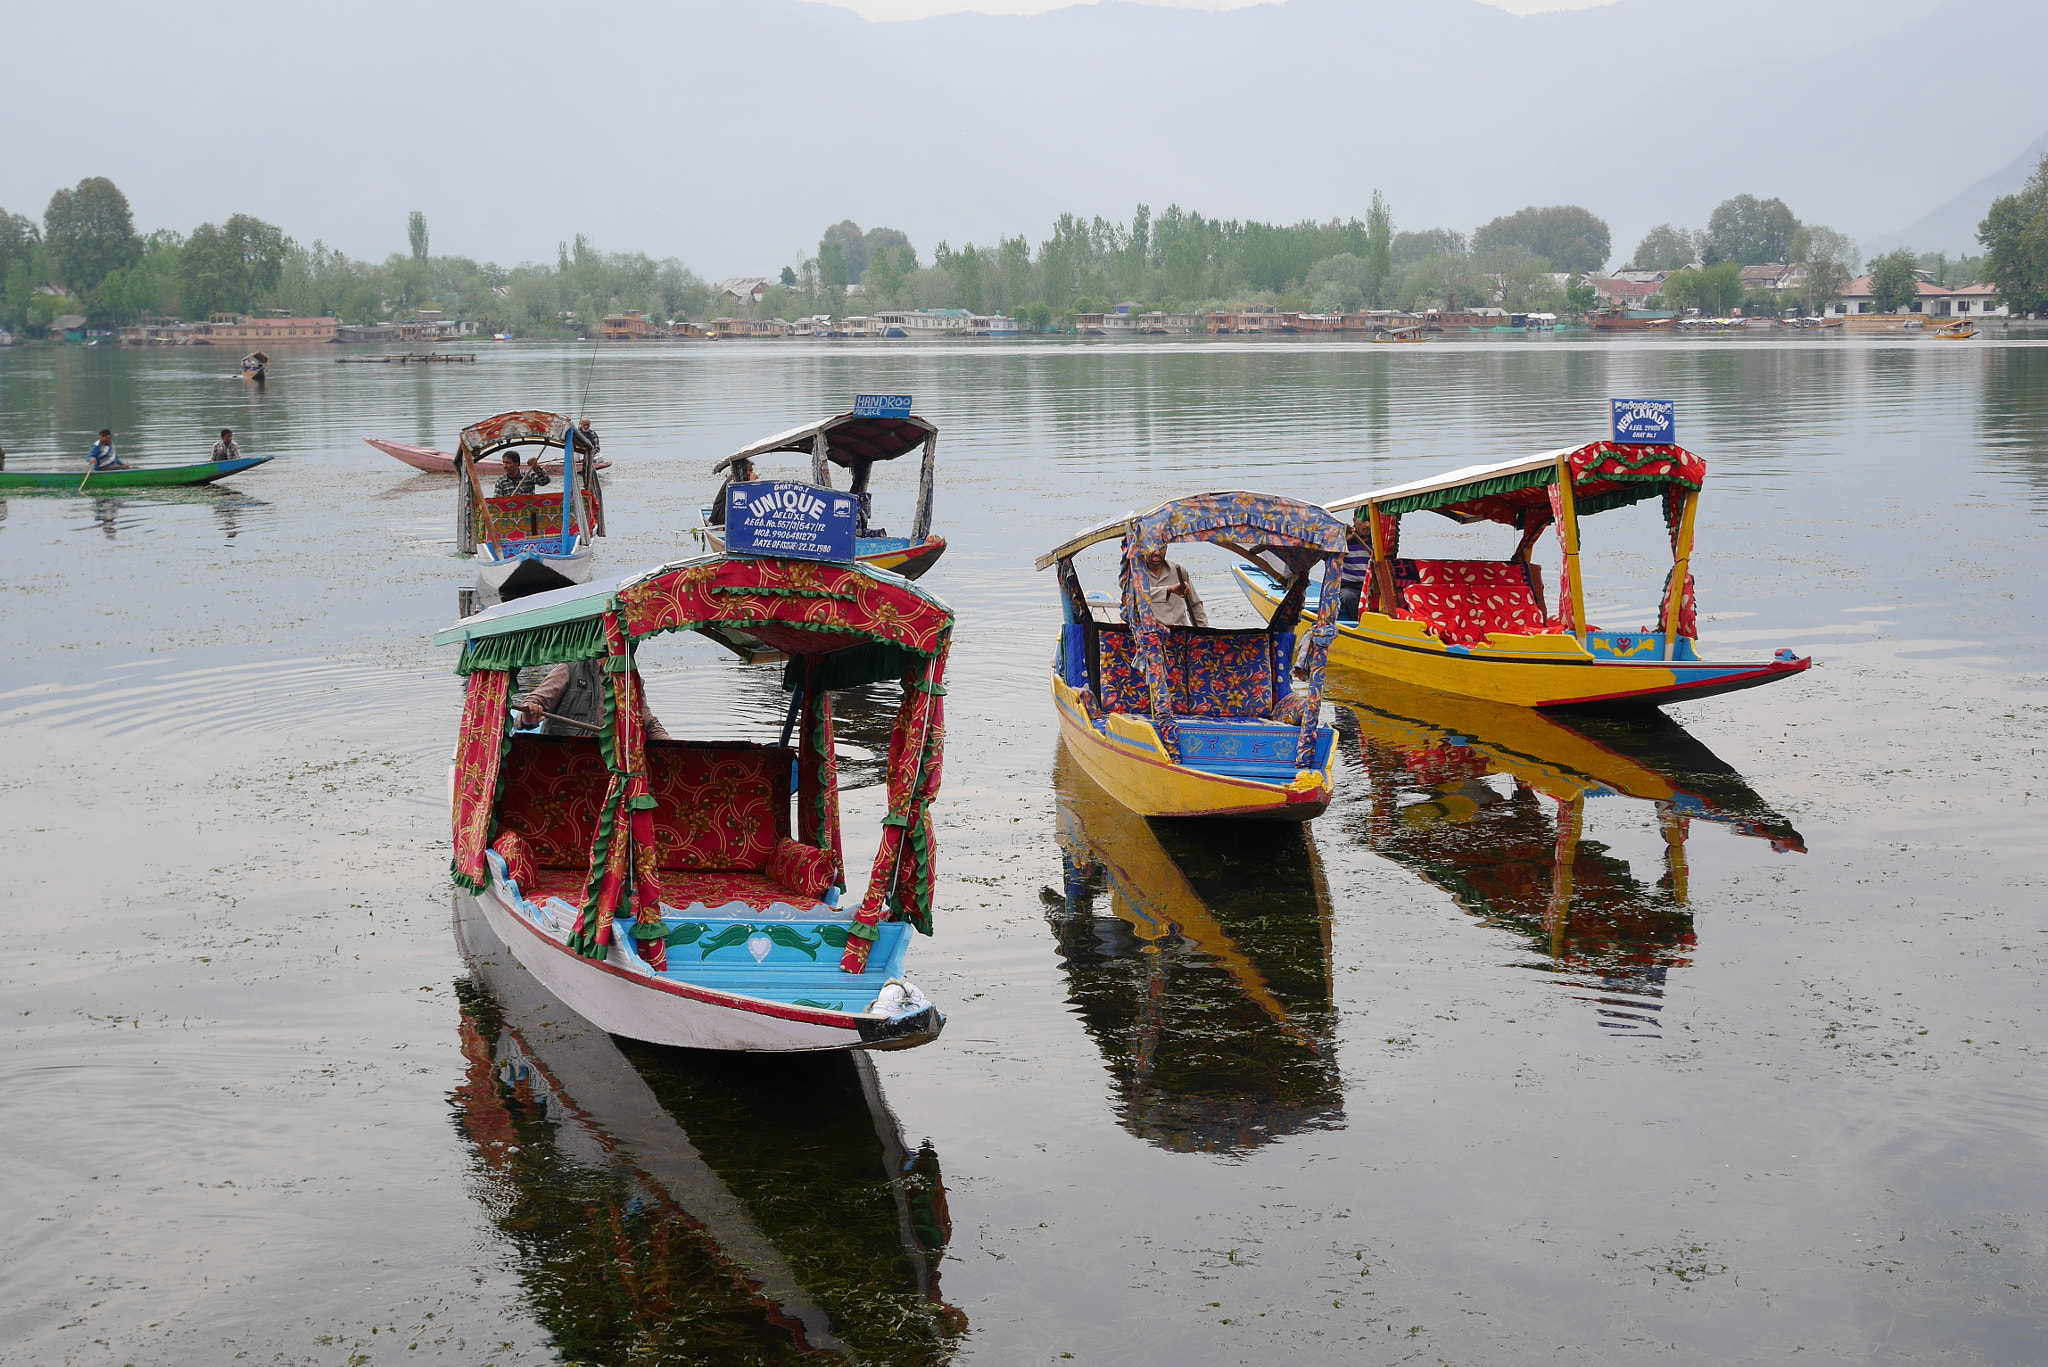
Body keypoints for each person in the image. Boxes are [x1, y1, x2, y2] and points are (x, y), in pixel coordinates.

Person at [518, 660, 672, 740]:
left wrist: (670, 745)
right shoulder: (569, 668)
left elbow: (649, 725)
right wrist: (529, 716)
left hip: (612, 761)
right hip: (567, 757)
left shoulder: (631, 680)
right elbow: (531, 707)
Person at [1136, 545, 1207, 627]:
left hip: (1178, 631)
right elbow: (1135, 596)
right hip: (1148, 633)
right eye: (1153, 547)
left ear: (1166, 548)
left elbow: (1195, 605)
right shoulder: (1136, 574)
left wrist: (1204, 632)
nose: (1157, 552)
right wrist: (1169, 590)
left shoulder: (1179, 571)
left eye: (1161, 548)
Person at [706, 456, 754, 527]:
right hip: (721, 515)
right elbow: (740, 501)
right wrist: (751, 482)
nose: (752, 473)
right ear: (743, 471)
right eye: (750, 471)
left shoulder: (741, 480)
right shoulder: (733, 482)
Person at [1338, 524, 1373, 622]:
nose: (1367, 525)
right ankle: (1360, 624)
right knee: (1348, 598)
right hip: (1349, 586)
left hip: (1371, 587)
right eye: (1363, 520)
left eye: (1369, 521)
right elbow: (1327, 556)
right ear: (1355, 520)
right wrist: (1344, 541)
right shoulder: (1344, 540)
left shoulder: (1376, 541)